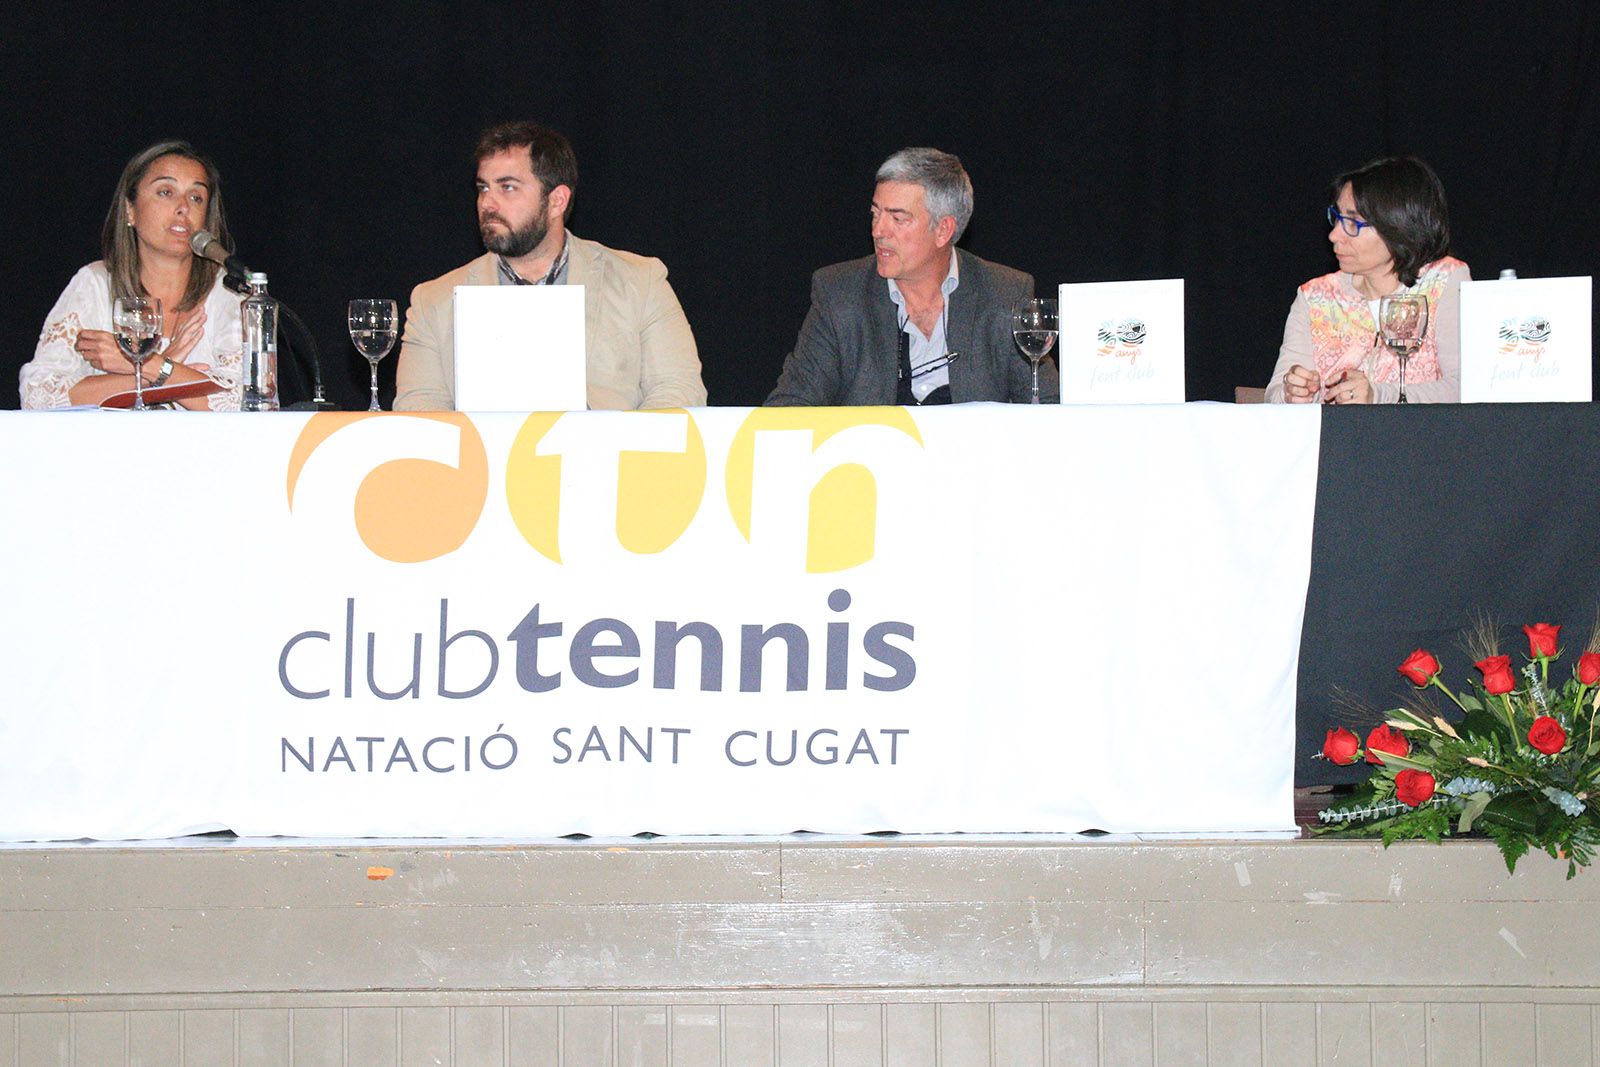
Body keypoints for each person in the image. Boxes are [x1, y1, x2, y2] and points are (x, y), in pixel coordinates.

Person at [394, 121, 706, 411]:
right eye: (483, 187)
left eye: (508, 187)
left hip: (604, 466)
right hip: (486, 468)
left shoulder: (641, 281)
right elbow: (422, 418)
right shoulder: (433, 301)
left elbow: (678, 392)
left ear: (557, 201)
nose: (488, 203)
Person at [766, 146, 1056, 406]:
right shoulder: (840, 294)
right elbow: (790, 407)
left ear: (943, 230)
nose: (878, 231)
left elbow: (1045, 406)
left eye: (898, 218)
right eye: (875, 214)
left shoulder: (1004, 293)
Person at [21, 140, 244, 410]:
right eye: (165, 192)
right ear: (130, 210)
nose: (184, 207)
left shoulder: (230, 291)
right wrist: (166, 371)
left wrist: (148, 365)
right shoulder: (95, 284)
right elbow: (39, 397)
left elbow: (240, 404)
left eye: (196, 197)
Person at [1266, 156, 1470, 405]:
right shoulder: (1316, 297)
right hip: (1338, 442)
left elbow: (1465, 389)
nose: (1333, 235)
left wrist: (1379, 396)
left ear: (1397, 226)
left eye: (1351, 222)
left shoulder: (1445, 280)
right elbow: (1274, 394)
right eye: (1337, 217)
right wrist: (1292, 394)